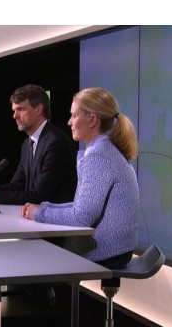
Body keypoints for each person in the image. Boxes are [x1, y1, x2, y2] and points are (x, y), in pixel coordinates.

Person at [21, 87, 140, 270]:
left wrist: (38, 214)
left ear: (92, 119)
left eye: (74, 115)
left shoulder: (99, 155)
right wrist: (45, 207)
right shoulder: (104, 148)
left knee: (33, 257)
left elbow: (82, 217)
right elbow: (82, 207)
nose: (69, 122)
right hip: (120, 249)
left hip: (107, 251)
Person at [0, 84, 77, 206]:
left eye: (21, 109)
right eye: (14, 111)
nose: (15, 116)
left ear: (38, 109)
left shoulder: (56, 143)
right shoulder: (27, 144)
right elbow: (17, 186)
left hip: (56, 216)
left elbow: (39, 195)